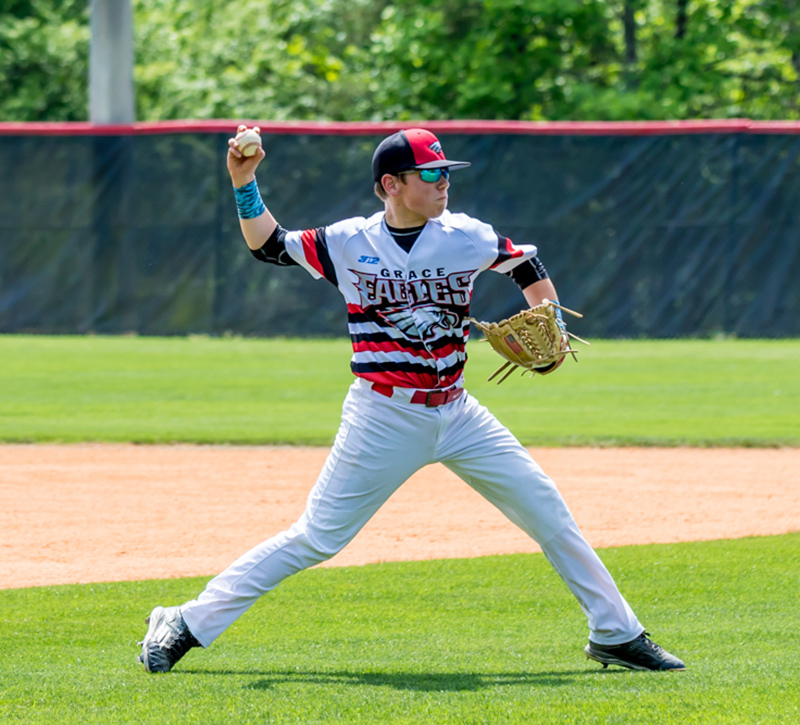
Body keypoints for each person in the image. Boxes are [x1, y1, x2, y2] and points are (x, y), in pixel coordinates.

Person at [138, 126, 685, 674]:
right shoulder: (348, 241)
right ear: (390, 186)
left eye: (446, 173)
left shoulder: (465, 236)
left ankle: (616, 633)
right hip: (383, 414)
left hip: (458, 410)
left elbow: (524, 264)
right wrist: (244, 182)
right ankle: (183, 621)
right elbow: (268, 246)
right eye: (430, 174)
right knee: (318, 538)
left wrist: (553, 327)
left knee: (547, 510)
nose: (444, 183)